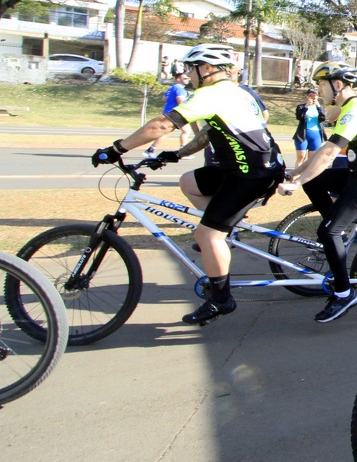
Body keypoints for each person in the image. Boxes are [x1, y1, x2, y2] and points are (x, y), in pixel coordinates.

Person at [92, 43, 285, 325]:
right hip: (245, 169)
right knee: (189, 182)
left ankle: (221, 299)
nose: (187, 74)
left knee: (207, 235)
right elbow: (209, 133)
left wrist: (117, 149)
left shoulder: (211, 93)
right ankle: (223, 229)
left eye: (190, 68)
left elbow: (162, 124)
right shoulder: (235, 91)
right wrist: (176, 154)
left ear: (206, 68)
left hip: (251, 174)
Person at [282, 64, 357, 323]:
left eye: (322, 84)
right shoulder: (349, 108)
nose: (318, 90)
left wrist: (296, 183)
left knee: (328, 231)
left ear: (337, 85)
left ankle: (345, 293)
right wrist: (297, 173)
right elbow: (325, 148)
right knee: (315, 183)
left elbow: (331, 153)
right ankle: (340, 226)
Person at [146, 71, 191, 157]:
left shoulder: (172, 87)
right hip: (176, 113)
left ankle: (151, 149)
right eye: (185, 78)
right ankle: (183, 151)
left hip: (168, 112)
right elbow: (180, 102)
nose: (187, 80)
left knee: (166, 133)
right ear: (178, 79)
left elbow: (164, 98)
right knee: (186, 131)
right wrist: (188, 98)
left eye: (188, 78)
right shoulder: (180, 88)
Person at [292, 89, 327, 167]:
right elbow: (299, 117)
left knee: (312, 159)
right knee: (301, 156)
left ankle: (307, 178)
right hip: (303, 134)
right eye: (309, 95)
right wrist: (306, 106)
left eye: (314, 95)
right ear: (306, 96)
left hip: (316, 134)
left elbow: (323, 118)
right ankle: (296, 176)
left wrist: (318, 106)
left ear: (317, 97)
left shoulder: (320, 107)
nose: (312, 97)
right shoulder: (301, 106)